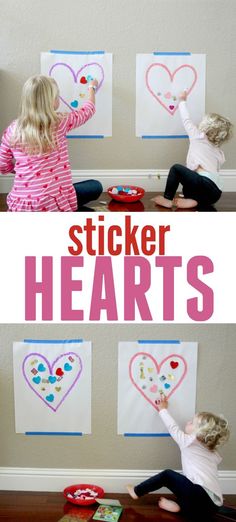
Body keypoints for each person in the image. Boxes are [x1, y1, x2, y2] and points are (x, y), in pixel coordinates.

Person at [0, 75, 103, 211]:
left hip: (22, 205)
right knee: (96, 186)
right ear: (53, 101)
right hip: (53, 204)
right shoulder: (61, 122)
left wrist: (21, 171)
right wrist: (92, 87)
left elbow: (2, 165)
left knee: (93, 188)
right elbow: (88, 110)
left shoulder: (13, 130)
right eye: (57, 96)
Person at [127, 396, 230, 520]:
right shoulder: (211, 450)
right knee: (186, 481)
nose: (188, 422)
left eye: (192, 422)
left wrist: (162, 409)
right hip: (212, 507)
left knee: (167, 475)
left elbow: (173, 428)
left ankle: (136, 491)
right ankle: (180, 507)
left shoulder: (189, 441)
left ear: (199, 434)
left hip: (199, 499)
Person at [153, 91, 233, 209]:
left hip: (203, 184)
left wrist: (182, 101)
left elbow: (186, 120)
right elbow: (217, 167)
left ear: (205, 127)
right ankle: (195, 201)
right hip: (215, 194)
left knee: (176, 169)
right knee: (190, 181)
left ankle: (167, 199)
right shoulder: (218, 151)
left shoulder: (198, 137)